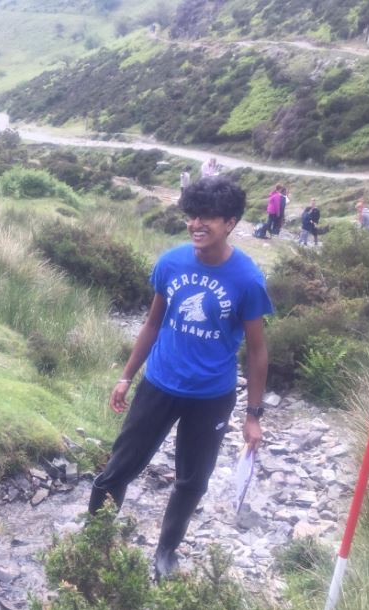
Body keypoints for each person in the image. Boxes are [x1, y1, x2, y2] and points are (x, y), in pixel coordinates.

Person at [87, 176, 273, 581]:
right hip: (159, 384)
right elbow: (152, 324)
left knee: (192, 481)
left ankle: (166, 553)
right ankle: (93, 539)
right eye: (191, 215)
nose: (196, 224)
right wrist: (125, 377)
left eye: (207, 217)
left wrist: (253, 414)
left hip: (211, 396)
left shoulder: (247, 279)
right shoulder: (170, 263)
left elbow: (257, 351)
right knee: (119, 468)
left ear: (230, 221)